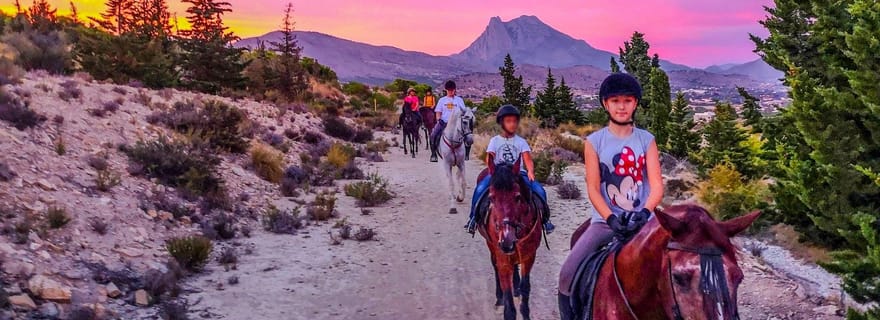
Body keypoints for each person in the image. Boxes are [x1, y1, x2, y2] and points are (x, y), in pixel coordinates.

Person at [556, 73, 664, 319]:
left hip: (643, 223)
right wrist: (611, 219)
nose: (622, 106)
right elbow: (594, 188)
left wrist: (644, 213)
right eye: (615, 100)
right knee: (566, 275)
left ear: (635, 103)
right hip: (605, 223)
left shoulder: (647, 140)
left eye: (627, 100)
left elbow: (656, 185)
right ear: (606, 104)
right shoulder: (594, 142)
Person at [465, 105, 555, 234]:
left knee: (540, 190)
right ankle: (473, 218)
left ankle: (546, 221)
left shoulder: (521, 142)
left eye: (514, 121)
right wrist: (492, 167)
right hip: (499, 174)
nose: (512, 124)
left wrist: (530, 171)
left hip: (517, 173)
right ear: (502, 123)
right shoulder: (495, 141)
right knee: (479, 189)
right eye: (508, 121)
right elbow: (489, 158)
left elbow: (527, 159)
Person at [430, 80, 468, 162]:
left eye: (452, 90)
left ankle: (466, 154)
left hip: (457, 123)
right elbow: (438, 112)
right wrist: (439, 120)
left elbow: (464, 112)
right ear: (446, 90)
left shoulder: (459, 100)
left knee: (468, 135)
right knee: (433, 135)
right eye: (449, 90)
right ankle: (433, 154)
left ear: (455, 90)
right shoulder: (442, 100)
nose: (451, 92)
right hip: (444, 122)